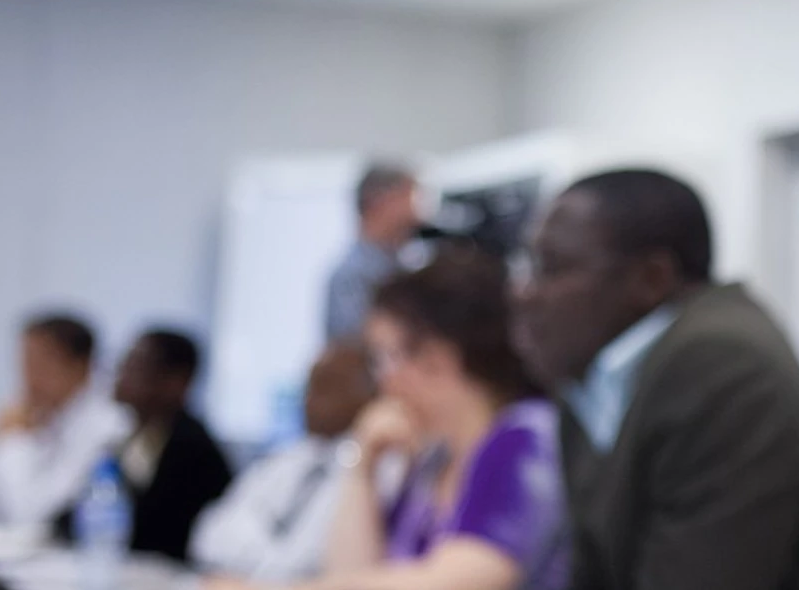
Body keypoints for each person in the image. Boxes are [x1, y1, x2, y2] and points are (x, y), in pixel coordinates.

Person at [513, 169, 799, 590]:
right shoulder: (594, 373)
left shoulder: (721, 366)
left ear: (651, 278)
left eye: (551, 268)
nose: (525, 292)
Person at [216, 247, 569, 590]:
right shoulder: (433, 459)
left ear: (438, 357)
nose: (381, 380)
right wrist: (363, 467)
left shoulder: (524, 436)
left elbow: (454, 581)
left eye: (385, 357)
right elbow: (353, 571)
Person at [192, 341, 379, 583]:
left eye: (326, 387)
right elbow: (209, 535)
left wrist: (252, 568)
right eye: (309, 387)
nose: (309, 399)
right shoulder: (290, 459)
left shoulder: (375, 470)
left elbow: (309, 564)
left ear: (371, 395)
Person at [0, 314, 128, 548]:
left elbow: (30, 514)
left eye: (41, 364)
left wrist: (16, 439)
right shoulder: (37, 414)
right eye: (25, 363)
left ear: (80, 365)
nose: (29, 377)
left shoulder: (108, 426)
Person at [84, 328, 235, 564]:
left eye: (136, 367)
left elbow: (154, 531)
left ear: (176, 381)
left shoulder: (194, 450)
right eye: (123, 364)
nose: (121, 375)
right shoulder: (130, 437)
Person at [326, 162, 420, 341]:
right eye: (407, 198)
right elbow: (356, 347)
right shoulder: (351, 275)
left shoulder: (404, 264)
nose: (415, 214)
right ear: (378, 202)